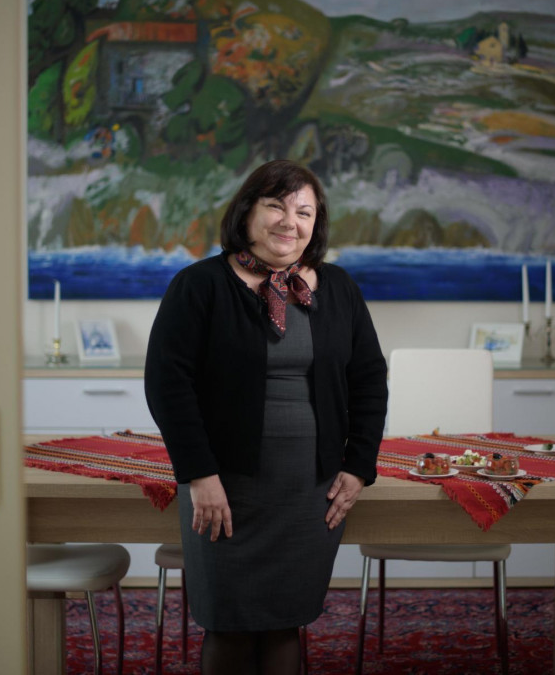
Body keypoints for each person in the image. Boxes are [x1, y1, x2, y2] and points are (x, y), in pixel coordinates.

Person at [145, 159, 388, 674]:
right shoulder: (199, 285)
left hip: (310, 490)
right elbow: (168, 387)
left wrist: (358, 466)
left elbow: (369, 380)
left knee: (284, 622)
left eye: (304, 211)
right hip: (223, 487)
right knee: (227, 624)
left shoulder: (338, 287)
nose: (289, 222)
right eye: (276, 206)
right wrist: (199, 475)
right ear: (247, 212)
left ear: (316, 223)